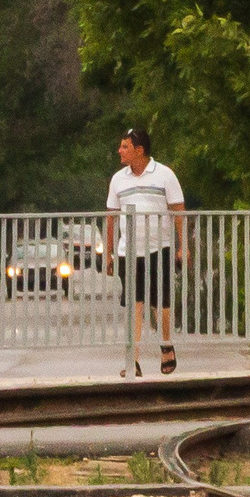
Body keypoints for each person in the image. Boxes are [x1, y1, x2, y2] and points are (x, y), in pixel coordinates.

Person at [103, 126, 187, 377]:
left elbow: (179, 210)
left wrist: (184, 247)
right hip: (128, 251)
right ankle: (134, 359)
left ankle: (166, 344)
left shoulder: (164, 175)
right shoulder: (118, 179)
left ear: (139, 151)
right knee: (134, 303)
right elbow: (111, 217)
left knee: (160, 302)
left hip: (158, 247)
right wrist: (108, 252)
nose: (120, 151)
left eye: (125, 146)